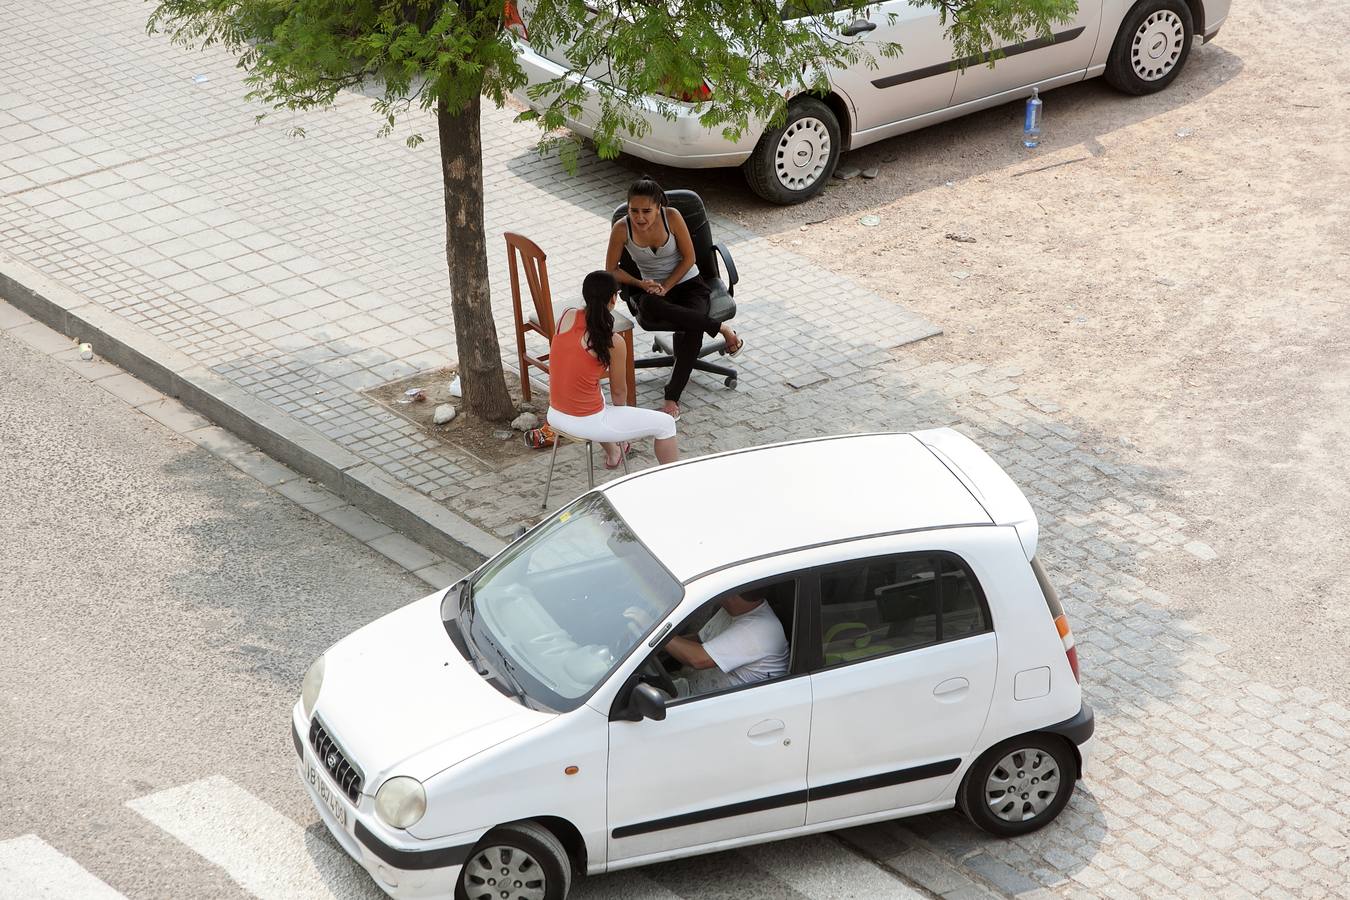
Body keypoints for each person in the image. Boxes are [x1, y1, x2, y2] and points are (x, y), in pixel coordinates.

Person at [605, 176, 744, 420]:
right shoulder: (621, 228)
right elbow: (611, 270)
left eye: (646, 211)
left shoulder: (673, 217)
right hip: (651, 291)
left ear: (659, 206)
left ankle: (671, 398)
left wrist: (668, 286)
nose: (639, 217)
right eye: (633, 210)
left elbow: (689, 258)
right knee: (650, 305)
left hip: (689, 284)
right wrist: (640, 283)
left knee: (693, 329)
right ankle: (722, 329)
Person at [547, 271, 679, 467]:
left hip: (555, 413)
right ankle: (674, 479)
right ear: (614, 299)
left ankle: (614, 453)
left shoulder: (566, 316)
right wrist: (622, 425)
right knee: (666, 424)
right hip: (586, 421)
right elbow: (618, 393)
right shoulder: (614, 341)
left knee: (593, 391)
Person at [663, 589, 788, 696]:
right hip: (694, 689)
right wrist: (657, 646)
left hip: (717, 709)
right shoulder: (735, 611)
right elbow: (700, 639)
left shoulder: (755, 631)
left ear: (731, 595)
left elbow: (698, 659)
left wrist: (661, 634)